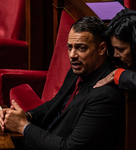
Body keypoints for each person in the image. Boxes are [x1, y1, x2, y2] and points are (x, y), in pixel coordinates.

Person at [0, 16, 125, 150]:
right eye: (70, 47)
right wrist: (26, 116)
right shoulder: (77, 70)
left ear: (101, 49)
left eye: (81, 48)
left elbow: (70, 147)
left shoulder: (106, 96)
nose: (72, 55)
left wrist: (23, 126)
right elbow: (54, 104)